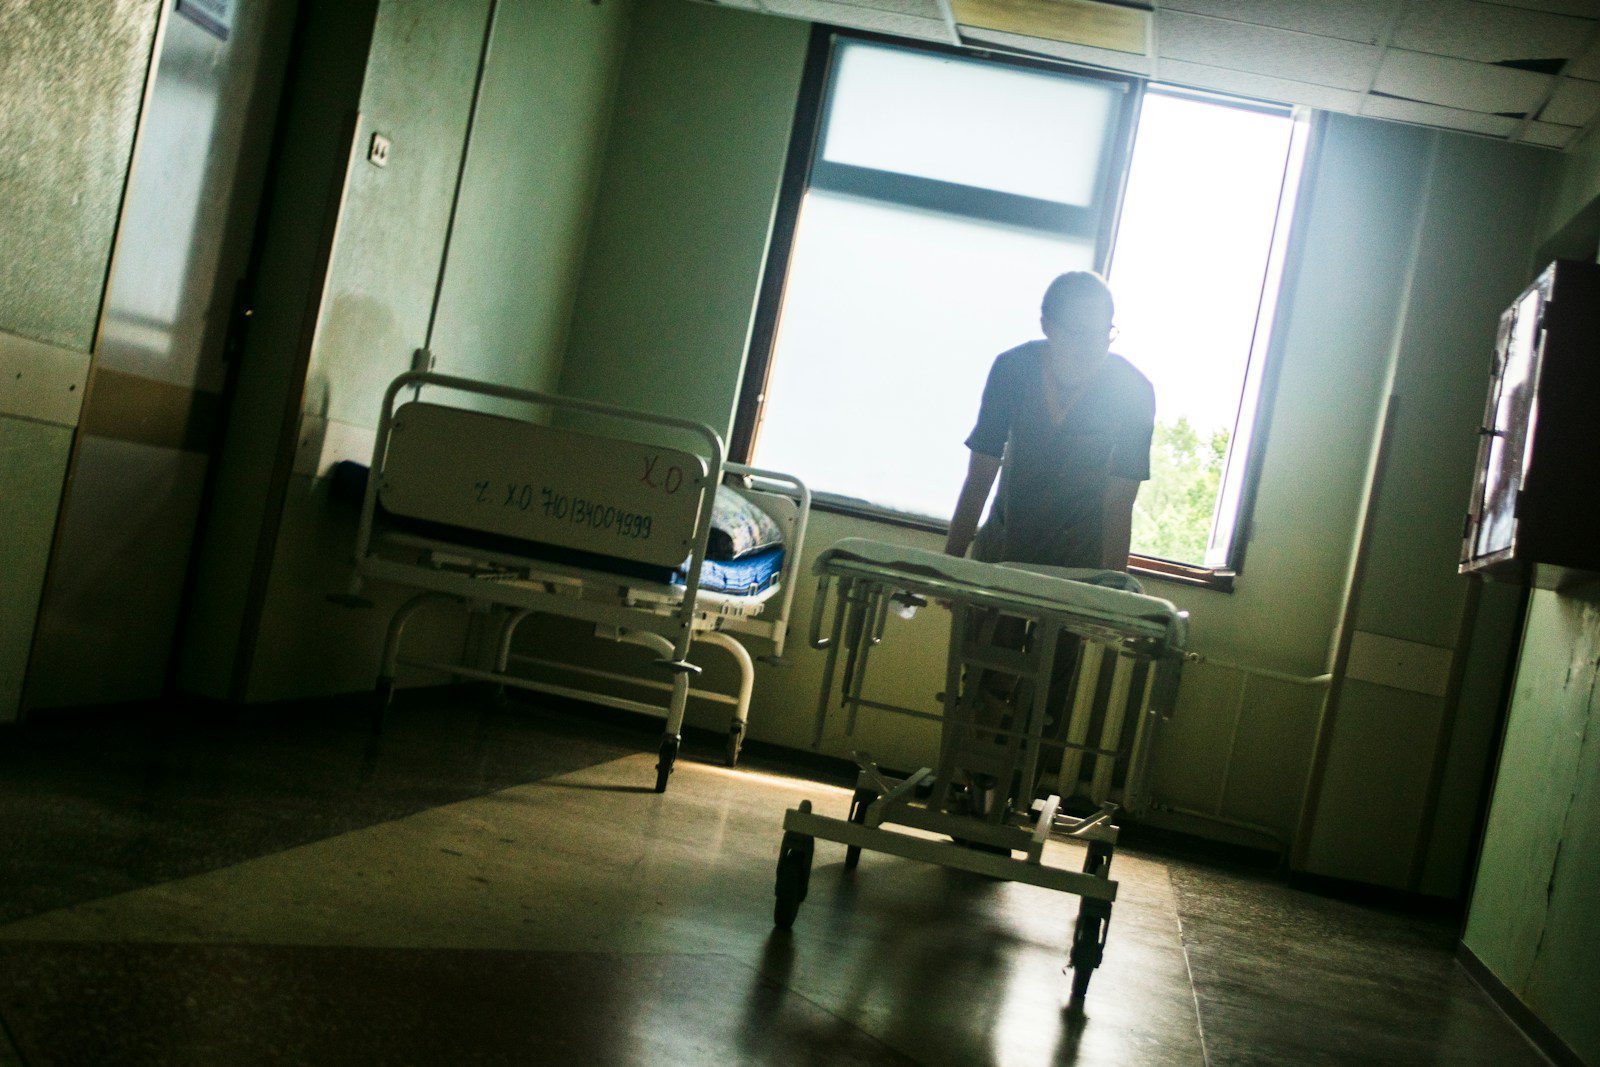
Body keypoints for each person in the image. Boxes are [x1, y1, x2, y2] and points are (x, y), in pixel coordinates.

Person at [944, 271, 1154, 570]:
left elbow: (1119, 503)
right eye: (1078, 332)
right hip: (1002, 551)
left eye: (1101, 334)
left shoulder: (1133, 391)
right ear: (1047, 326)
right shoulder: (1013, 369)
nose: (1091, 346)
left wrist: (1112, 591)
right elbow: (980, 477)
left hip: (1080, 563)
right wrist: (950, 566)